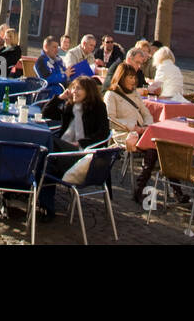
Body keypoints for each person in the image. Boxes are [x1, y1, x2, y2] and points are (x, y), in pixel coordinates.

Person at [39, 76, 111, 216]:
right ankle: (45, 207)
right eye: (73, 87)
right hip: (64, 151)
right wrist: (60, 97)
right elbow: (46, 113)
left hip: (83, 154)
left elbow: (103, 134)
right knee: (45, 163)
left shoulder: (98, 107)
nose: (74, 91)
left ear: (88, 91)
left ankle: (41, 204)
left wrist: (81, 143)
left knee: (47, 142)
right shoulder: (70, 105)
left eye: (79, 88)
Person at [104, 63, 159, 202]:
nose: (134, 81)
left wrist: (147, 126)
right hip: (124, 134)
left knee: (164, 148)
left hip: (141, 131)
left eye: (134, 77)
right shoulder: (111, 95)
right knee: (153, 150)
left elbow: (146, 113)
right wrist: (132, 128)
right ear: (122, 77)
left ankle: (177, 191)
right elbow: (110, 119)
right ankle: (139, 189)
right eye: (130, 77)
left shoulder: (134, 94)